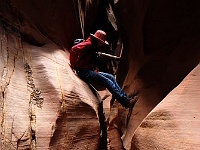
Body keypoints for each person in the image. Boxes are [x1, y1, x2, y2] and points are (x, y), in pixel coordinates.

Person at [70, 30, 138, 109]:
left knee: (111, 77)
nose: (100, 44)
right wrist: (73, 66)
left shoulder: (92, 46)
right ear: (96, 40)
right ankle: (126, 102)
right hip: (83, 71)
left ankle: (125, 97)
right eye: (100, 42)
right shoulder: (88, 44)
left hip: (88, 70)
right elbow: (74, 49)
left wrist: (93, 68)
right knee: (107, 81)